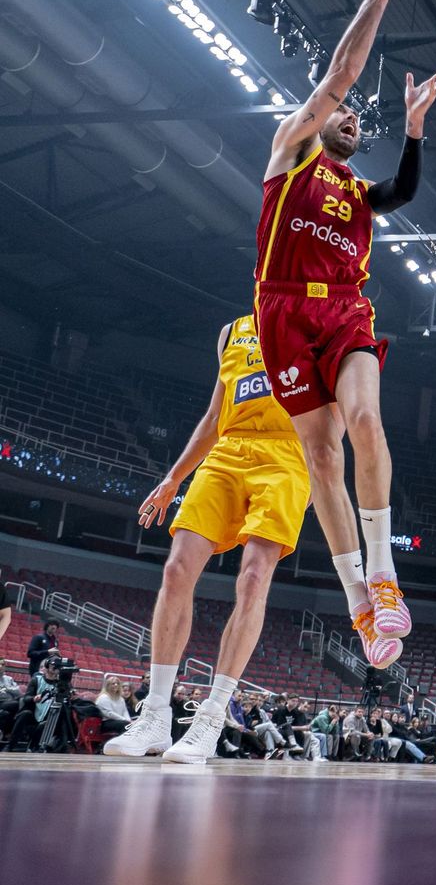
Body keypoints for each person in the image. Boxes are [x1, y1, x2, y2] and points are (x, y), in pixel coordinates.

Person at [255, 0, 436, 671]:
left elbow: (403, 189)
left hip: (344, 309)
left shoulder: (357, 193)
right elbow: (343, 72)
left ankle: (382, 569)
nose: (351, 119)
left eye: (357, 122)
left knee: (366, 420)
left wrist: (411, 133)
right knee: (320, 460)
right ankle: (356, 603)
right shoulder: (293, 149)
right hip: (280, 310)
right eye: (345, 115)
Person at [105, 316, 312, 765]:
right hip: (228, 450)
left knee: (254, 578)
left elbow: (331, 416)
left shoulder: (320, 324)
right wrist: (173, 477)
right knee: (177, 569)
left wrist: (324, 475)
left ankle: (212, 717)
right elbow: (215, 416)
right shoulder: (232, 331)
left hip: (287, 455)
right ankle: (156, 714)